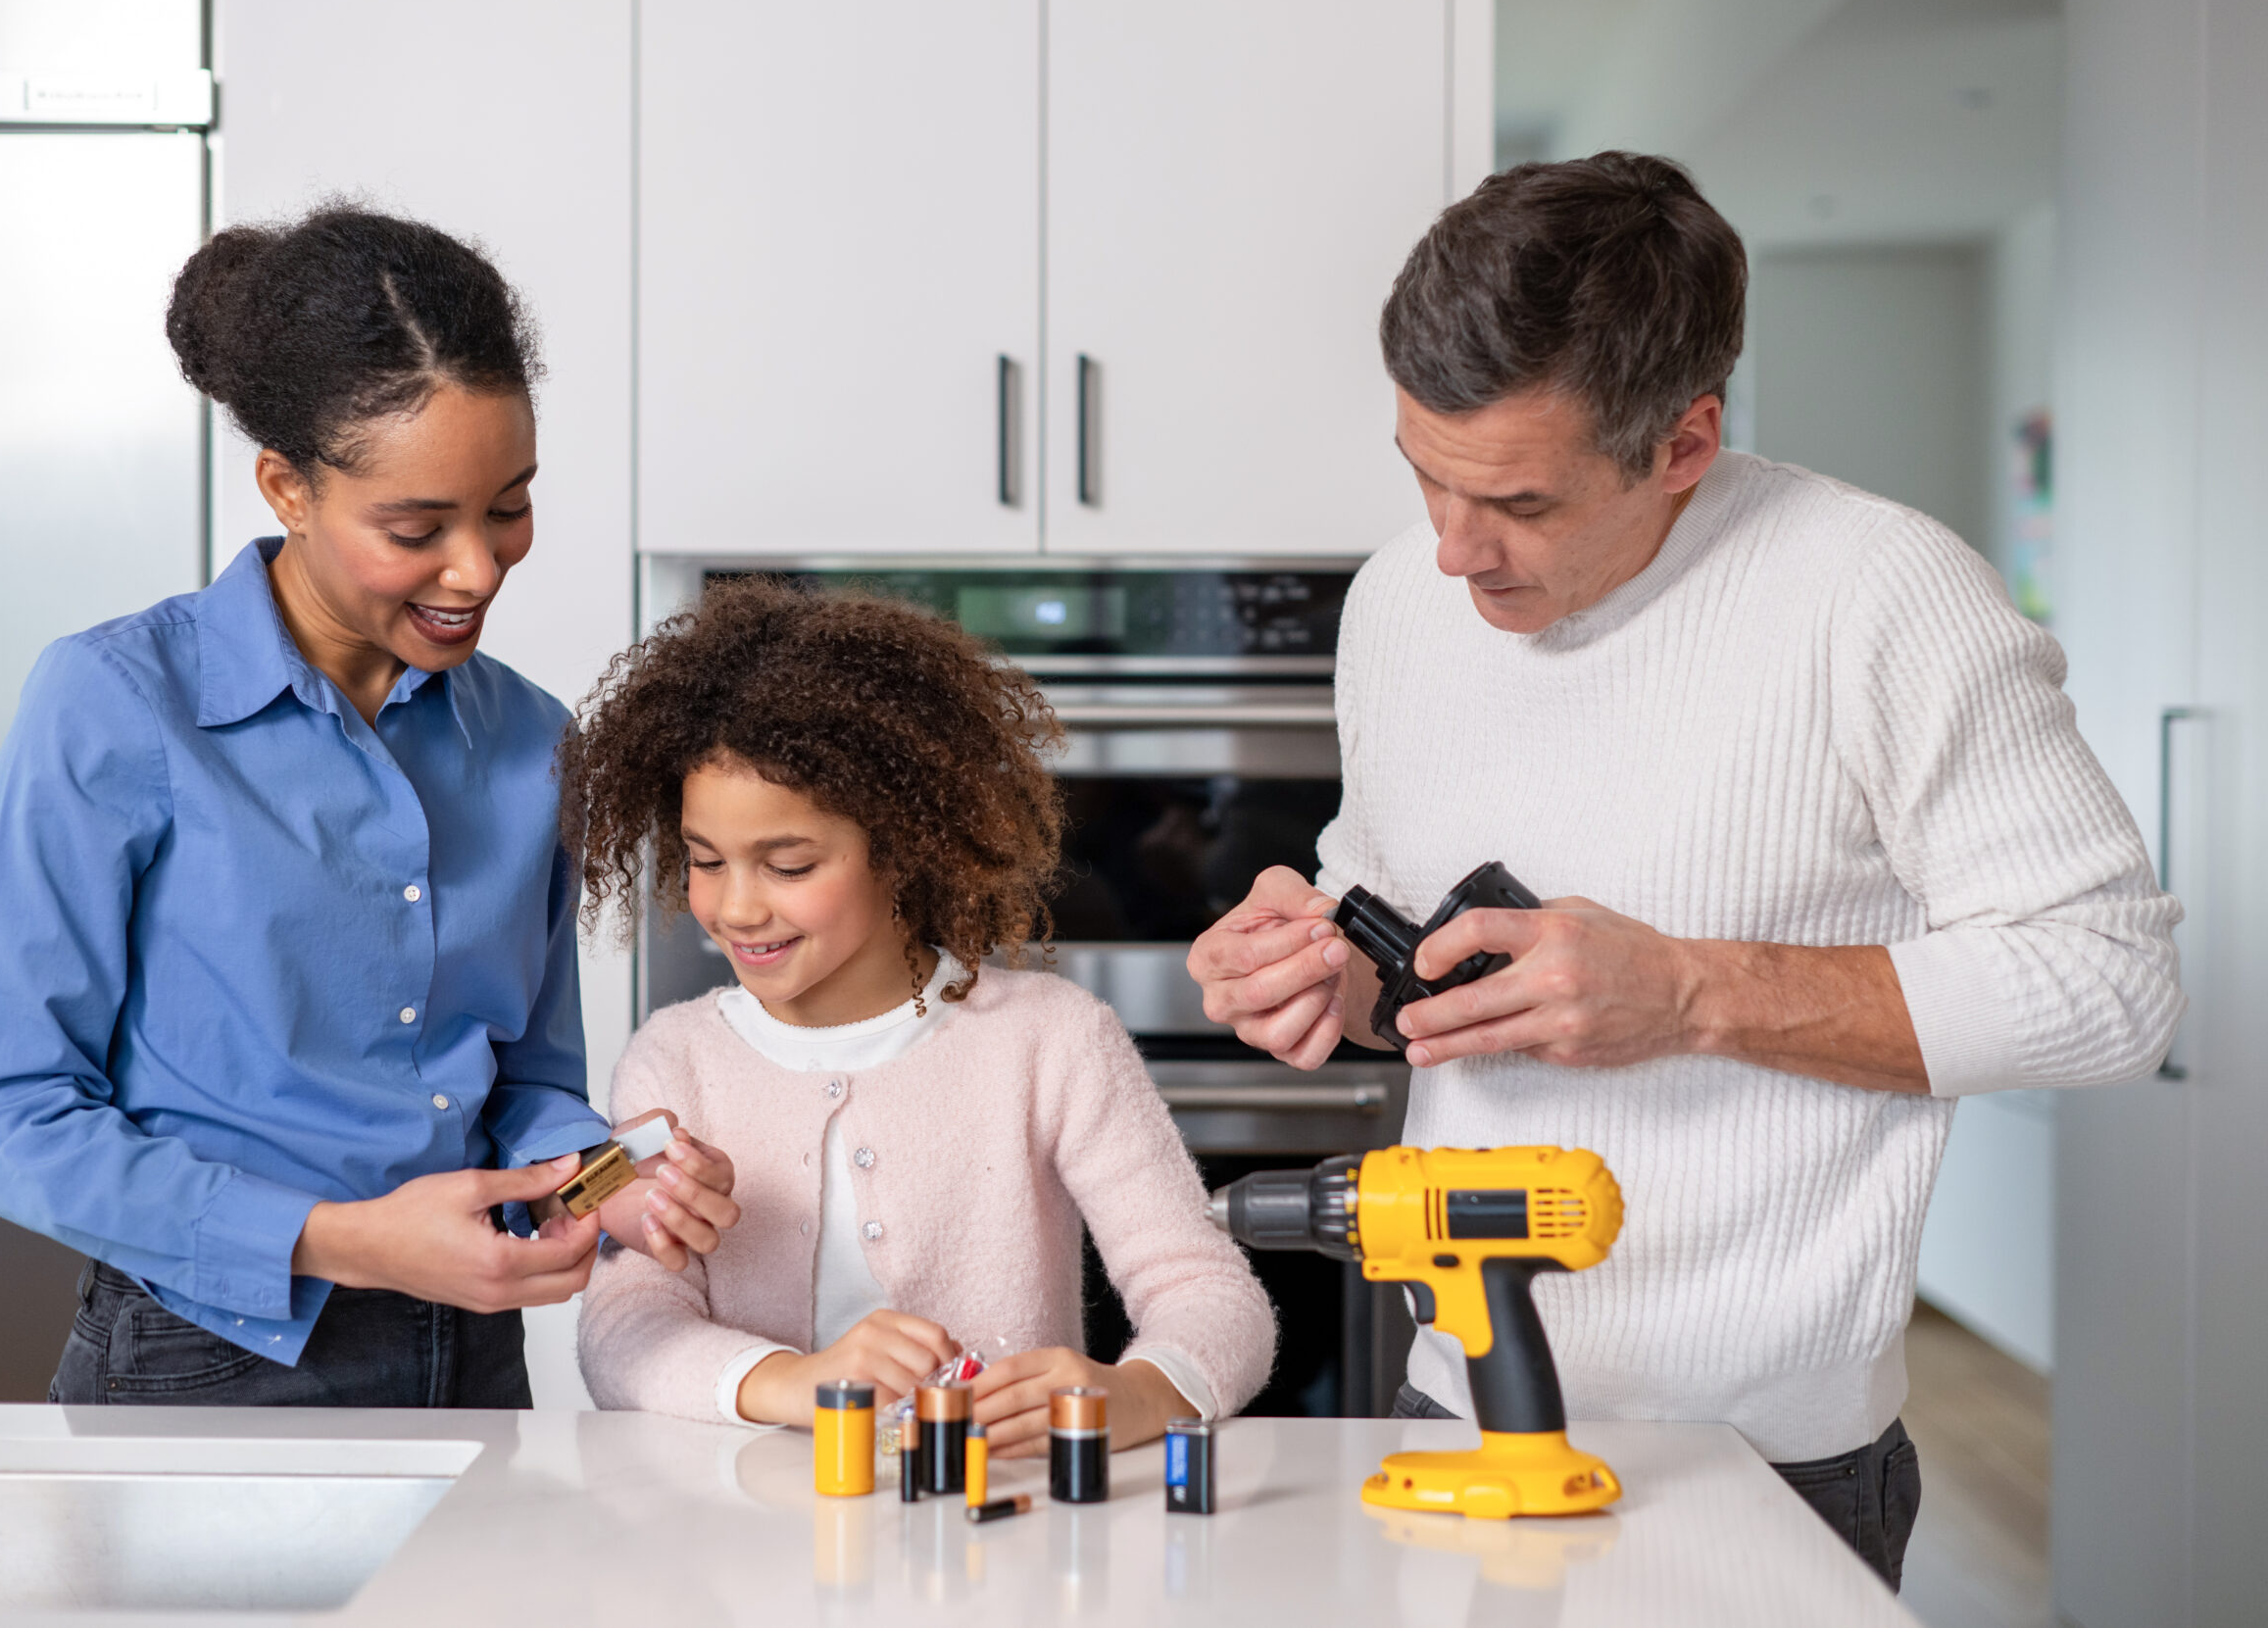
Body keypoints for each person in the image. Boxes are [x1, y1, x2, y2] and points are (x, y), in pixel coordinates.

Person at [1185, 154, 2182, 1585]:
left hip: (1768, 1457)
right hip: (1453, 1412)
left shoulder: (1883, 597)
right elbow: (1389, 936)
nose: (1457, 551)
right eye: (1424, 473)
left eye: (1519, 500)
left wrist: (1691, 990)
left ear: (1684, 441)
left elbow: (2113, 984)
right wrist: (1319, 973)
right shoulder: (1397, 597)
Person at [0, 205, 739, 1406]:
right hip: (206, 1360)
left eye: (509, 506)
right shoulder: (116, 704)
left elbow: (521, 1083)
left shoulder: (529, 741)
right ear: (287, 488)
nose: (477, 569)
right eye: (417, 529)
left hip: (470, 1356)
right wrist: (343, 1239)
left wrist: (602, 1176)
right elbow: (9, 1120)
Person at [562, 580, 1274, 1454]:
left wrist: (1138, 1392)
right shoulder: (675, 1059)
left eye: (788, 865)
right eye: (707, 860)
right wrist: (796, 1382)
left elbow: (1211, 1292)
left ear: (902, 847)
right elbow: (622, 1332)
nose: (736, 907)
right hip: (739, 1553)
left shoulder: (1052, 1040)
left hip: (1002, 1534)